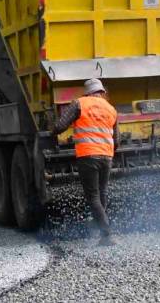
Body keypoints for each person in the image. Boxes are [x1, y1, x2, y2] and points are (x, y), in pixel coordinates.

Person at [52, 78, 118, 246]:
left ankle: (107, 234)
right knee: (101, 194)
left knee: (93, 196)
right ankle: (102, 234)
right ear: (102, 92)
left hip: (88, 156)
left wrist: (52, 131)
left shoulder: (79, 104)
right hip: (107, 156)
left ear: (87, 93)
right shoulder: (111, 109)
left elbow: (60, 126)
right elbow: (116, 139)